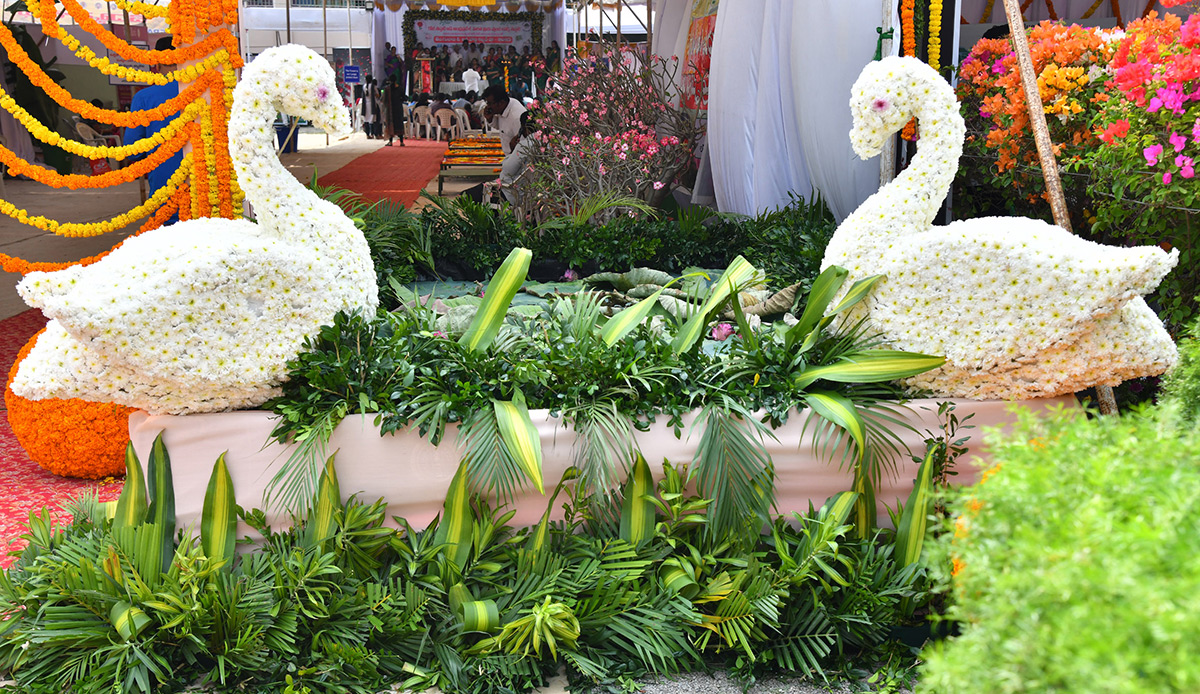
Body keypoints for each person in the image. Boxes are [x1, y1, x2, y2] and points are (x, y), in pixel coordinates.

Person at [125, 36, 183, 223]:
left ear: (156, 64)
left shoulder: (144, 98)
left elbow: (132, 148)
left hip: (163, 187)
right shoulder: (205, 91)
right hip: (207, 185)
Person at [482, 83, 525, 154]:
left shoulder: (516, 118)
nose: (488, 107)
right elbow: (502, 127)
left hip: (516, 157)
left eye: (490, 103)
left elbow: (523, 147)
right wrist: (490, 119)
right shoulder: (504, 106)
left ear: (501, 103)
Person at [385, 73, 406, 146]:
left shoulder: (387, 89)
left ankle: (390, 142)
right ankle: (401, 142)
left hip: (390, 109)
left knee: (391, 123)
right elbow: (404, 98)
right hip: (398, 108)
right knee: (399, 124)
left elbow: (384, 99)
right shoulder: (400, 88)